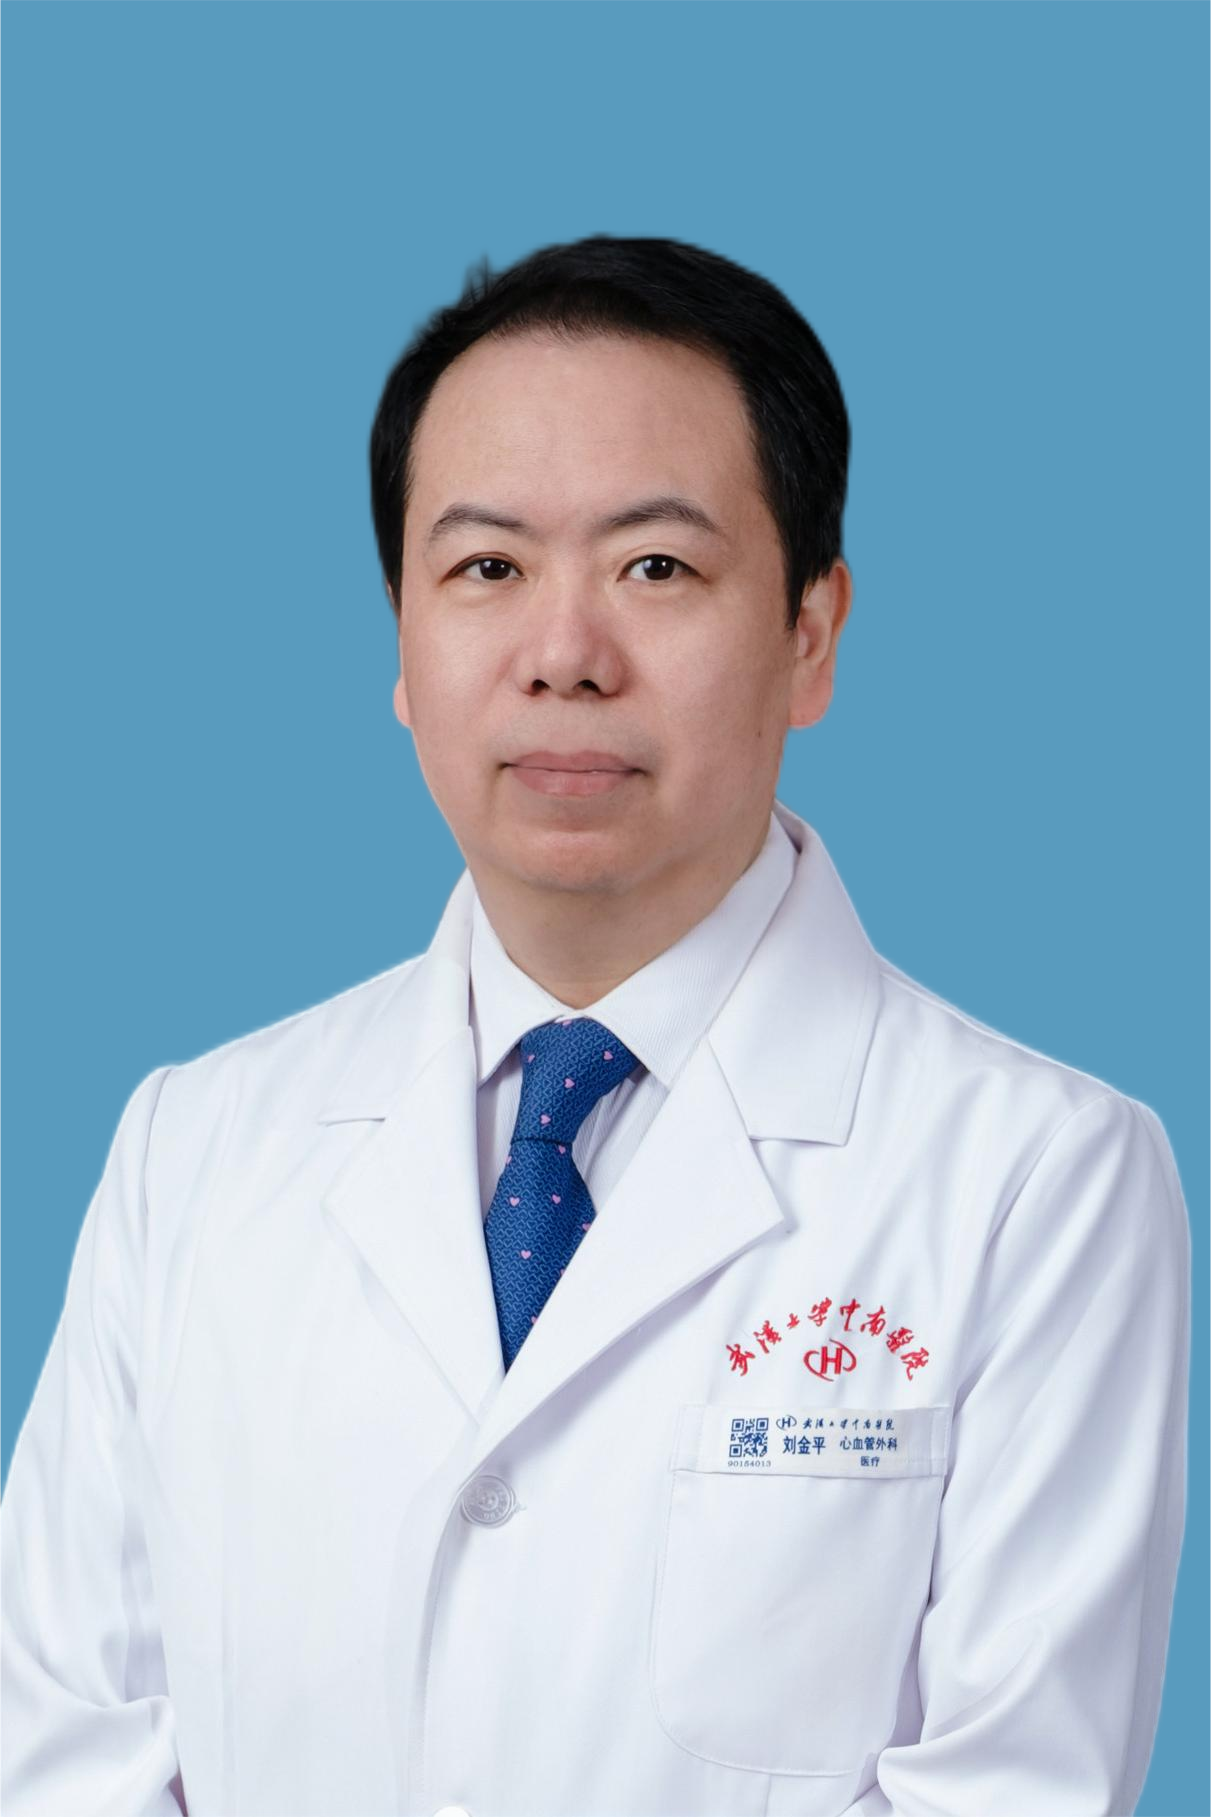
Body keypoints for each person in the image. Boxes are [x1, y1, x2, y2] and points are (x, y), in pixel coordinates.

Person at [0, 234, 1190, 1817]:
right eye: (487, 570)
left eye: (656, 569)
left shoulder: (1040, 1179)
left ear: (810, 634)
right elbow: (64, 1752)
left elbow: (1011, 1791)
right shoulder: (193, 1150)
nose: (563, 656)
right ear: (402, 641)